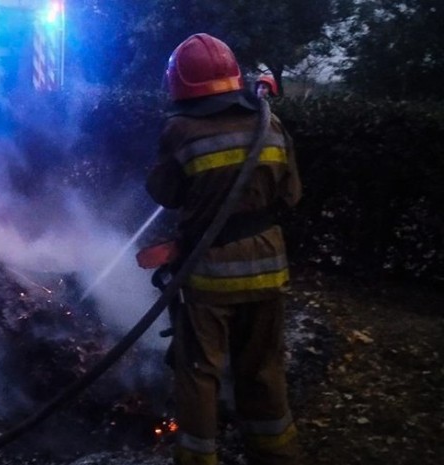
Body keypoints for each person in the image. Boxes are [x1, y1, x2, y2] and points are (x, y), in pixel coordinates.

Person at [145, 33, 302, 465]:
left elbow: (165, 193)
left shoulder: (181, 130)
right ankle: (277, 456)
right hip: (268, 266)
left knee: (199, 374)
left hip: (210, 273)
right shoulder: (270, 124)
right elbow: (291, 194)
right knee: (263, 369)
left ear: (179, 85)